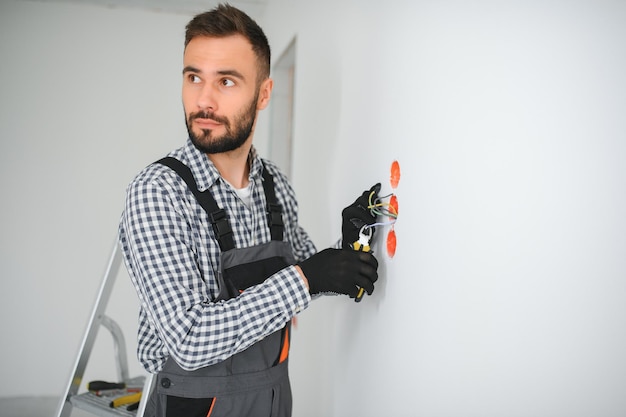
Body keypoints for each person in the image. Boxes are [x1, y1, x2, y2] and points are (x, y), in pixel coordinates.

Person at [118, 4, 379, 417]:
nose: (203, 99)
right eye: (193, 78)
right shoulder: (158, 192)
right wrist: (306, 277)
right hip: (193, 405)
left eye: (226, 80)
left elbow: (308, 273)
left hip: (274, 399)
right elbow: (188, 340)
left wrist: (344, 250)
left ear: (263, 93)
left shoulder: (274, 184)